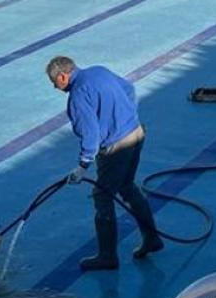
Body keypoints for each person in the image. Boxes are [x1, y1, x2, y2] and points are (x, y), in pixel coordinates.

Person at [46, 55, 163, 271]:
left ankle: (107, 256)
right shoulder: (99, 71)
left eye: (55, 82)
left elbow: (91, 134)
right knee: (127, 187)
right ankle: (152, 238)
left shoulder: (78, 96)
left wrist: (83, 165)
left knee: (102, 196)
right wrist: (125, 118)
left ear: (63, 76)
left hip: (117, 146)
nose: (55, 87)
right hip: (136, 133)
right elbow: (129, 89)